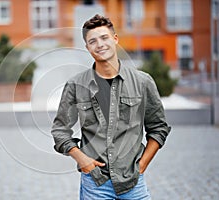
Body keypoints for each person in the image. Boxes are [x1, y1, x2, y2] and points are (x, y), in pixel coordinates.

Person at [51, 14, 171, 199]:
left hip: (133, 181)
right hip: (95, 182)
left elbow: (158, 128)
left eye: (104, 37)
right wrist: (82, 159)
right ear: (87, 47)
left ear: (115, 39)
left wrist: (142, 165)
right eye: (92, 41)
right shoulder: (75, 85)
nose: (99, 44)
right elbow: (60, 131)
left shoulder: (142, 81)